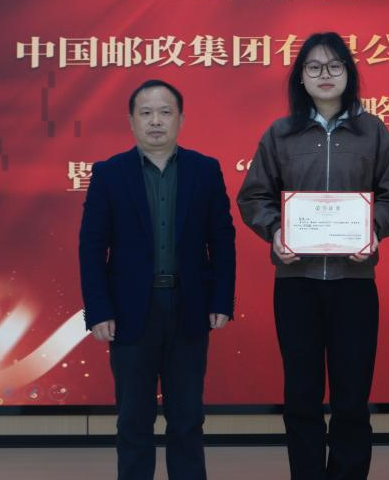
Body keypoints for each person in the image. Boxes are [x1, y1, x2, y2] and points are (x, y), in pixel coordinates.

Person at [237, 32, 389, 480]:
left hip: (354, 284)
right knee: (302, 397)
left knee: (352, 399)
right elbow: (254, 197)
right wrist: (275, 231)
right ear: (301, 77)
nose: (324, 75)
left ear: (348, 73)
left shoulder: (373, 132)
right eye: (314, 67)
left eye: (334, 66)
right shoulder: (281, 134)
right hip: (297, 285)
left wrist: (373, 229)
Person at [78, 80, 236, 480]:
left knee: (187, 417)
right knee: (133, 419)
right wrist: (98, 309)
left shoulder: (205, 170)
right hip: (130, 311)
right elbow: (92, 247)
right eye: (145, 113)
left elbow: (221, 239)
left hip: (189, 306)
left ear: (180, 119)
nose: (155, 121)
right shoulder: (109, 173)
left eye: (165, 112)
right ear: (131, 121)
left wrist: (221, 300)